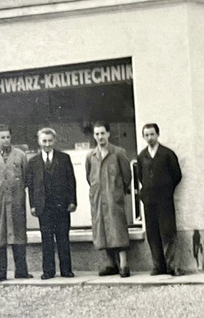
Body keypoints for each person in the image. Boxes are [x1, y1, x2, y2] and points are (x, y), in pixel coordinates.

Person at [0, 124, 33, 282]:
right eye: (2, 137)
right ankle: (0, 272)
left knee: (19, 236)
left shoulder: (20, 156)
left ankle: (21, 271)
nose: (5, 140)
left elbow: (26, 178)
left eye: (8, 137)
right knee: (0, 237)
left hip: (16, 202)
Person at [27, 127, 77, 280]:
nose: (47, 144)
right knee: (46, 240)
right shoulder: (33, 161)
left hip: (61, 206)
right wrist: (33, 205)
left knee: (63, 238)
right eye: (44, 141)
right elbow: (31, 186)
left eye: (50, 141)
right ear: (39, 141)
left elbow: (71, 182)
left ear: (54, 141)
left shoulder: (64, 158)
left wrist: (72, 201)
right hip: (44, 207)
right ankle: (48, 271)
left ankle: (66, 270)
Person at [85, 120, 133, 277]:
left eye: (102, 133)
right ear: (94, 135)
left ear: (109, 134)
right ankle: (111, 264)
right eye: (97, 134)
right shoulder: (90, 156)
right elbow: (89, 177)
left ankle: (124, 265)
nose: (100, 137)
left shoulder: (118, 153)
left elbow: (127, 176)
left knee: (117, 228)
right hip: (98, 199)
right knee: (102, 230)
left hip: (114, 198)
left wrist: (117, 191)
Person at [136, 123, 184, 276]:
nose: (149, 138)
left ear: (157, 135)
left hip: (164, 200)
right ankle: (158, 266)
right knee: (153, 233)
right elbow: (141, 177)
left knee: (168, 232)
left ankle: (172, 266)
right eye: (147, 135)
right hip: (149, 201)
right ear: (143, 137)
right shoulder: (142, 156)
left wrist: (166, 190)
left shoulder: (167, 154)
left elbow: (177, 175)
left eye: (152, 134)